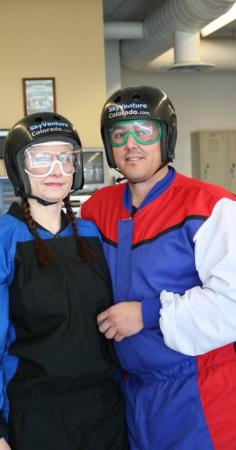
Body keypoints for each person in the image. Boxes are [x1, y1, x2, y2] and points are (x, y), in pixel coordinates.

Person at [0, 112, 129, 450]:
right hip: (32, 416)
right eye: (41, 159)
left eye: (65, 158)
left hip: (105, 412)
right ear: (18, 168)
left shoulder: (92, 236)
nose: (56, 170)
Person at [81, 86, 236, 450]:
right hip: (131, 393)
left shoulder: (210, 206)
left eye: (144, 131)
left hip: (201, 391)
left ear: (166, 137)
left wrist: (147, 314)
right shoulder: (95, 210)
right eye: (120, 134)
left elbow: (232, 303)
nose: (131, 143)